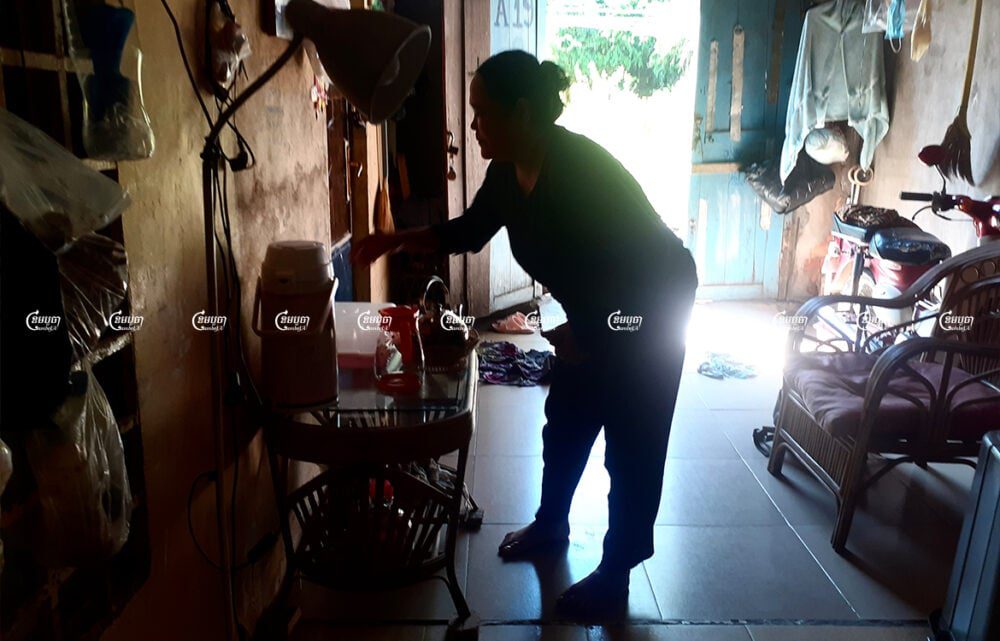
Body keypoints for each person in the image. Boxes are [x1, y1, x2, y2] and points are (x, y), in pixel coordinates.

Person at [352, 50, 698, 617]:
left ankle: (616, 576)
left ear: (520, 112)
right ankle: (551, 524)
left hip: (650, 306)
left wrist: (597, 338)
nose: (472, 126)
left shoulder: (582, 171)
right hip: (598, 311)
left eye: (481, 113)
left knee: (633, 445)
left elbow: (630, 271)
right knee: (566, 420)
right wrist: (396, 241)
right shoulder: (507, 174)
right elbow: (468, 230)